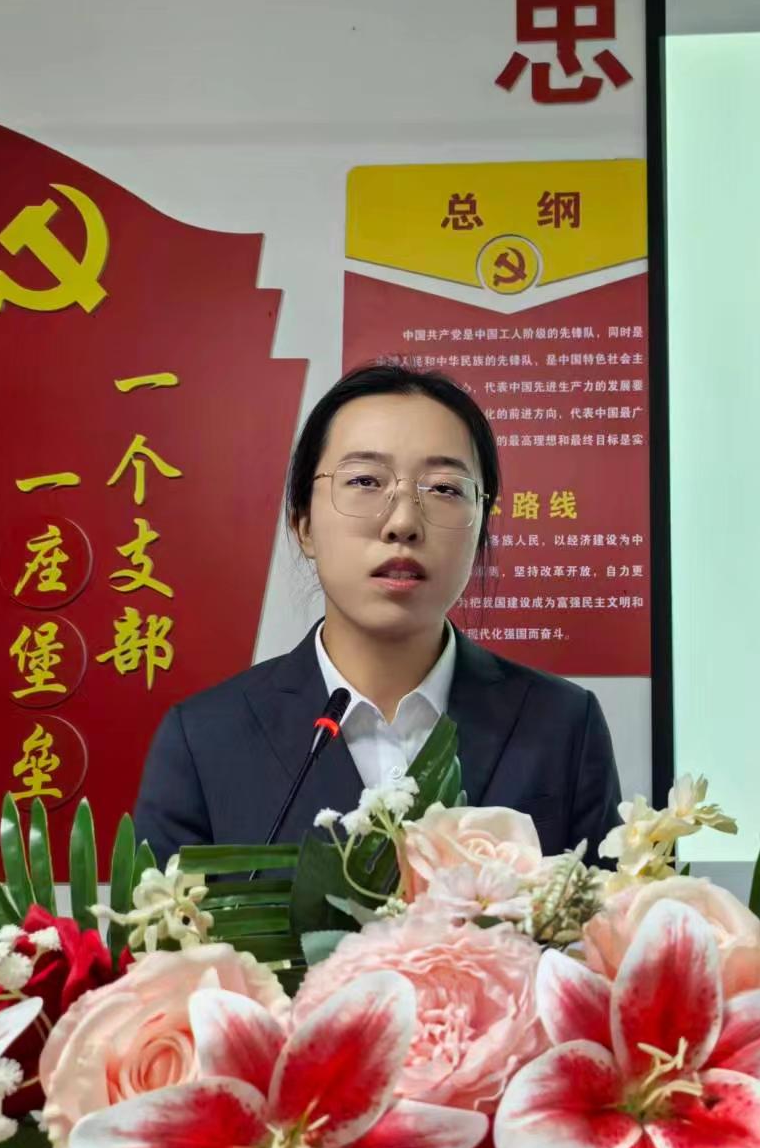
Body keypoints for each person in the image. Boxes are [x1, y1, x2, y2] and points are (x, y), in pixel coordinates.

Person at [133, 363, 622, 863]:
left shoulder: (561, 726)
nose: (403, 523)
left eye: (444, 488)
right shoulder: (206, 739)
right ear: (303, 524)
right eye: (365, 481)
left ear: (480, 528)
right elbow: (159, 914)